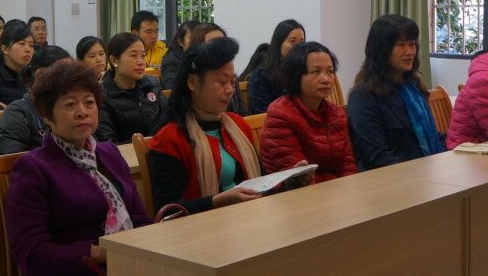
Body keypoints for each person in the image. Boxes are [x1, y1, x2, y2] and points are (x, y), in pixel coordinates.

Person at [5, 60, 151, 276]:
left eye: (89, 102)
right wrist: (96, 253)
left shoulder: (109, 153)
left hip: (131, 270)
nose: (83, 111)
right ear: (47, 115)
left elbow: (140, 219)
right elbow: (31, 253)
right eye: (70, 105)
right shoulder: (34, 168)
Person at [148, 37, 311, 215]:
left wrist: (288, 180)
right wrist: (215, 202)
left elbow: (260, 181)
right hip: (204, 226)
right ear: (192, 82)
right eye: (221, 82)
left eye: (232, 82)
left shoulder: (238, 125)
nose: (229, 90)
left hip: (249, 217)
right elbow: (168, 210)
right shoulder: (169, 139)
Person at [347, 14, 445, 171]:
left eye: (412, 44)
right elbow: (378, 156)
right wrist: (420, 174)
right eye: (401, 45)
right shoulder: (364, 96)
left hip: (425, 171)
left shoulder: (414, 88)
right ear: (382, 50)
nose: (410, 52)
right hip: (390, 178)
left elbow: (430, 135)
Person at [259, 42, 356, 182]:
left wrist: (351, 188)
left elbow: (348, 165)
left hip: (334, 189)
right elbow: (298, 177)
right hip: (294, 192)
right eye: (316, 72)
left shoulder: (337, 114)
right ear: (296, 76)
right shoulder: (280, 115)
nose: (326, 79)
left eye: (330, 71)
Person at [0, 46, 71, 155]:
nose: (72, 80)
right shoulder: (18, 113)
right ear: (41, 76)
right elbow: (13, 158)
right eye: (64, 74)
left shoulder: (77, 109)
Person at [96, 32, 167, 144]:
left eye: (143, 55)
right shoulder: (102, 95)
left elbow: (168, 120)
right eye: (133, 56)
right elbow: (108, 143)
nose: (141, 62)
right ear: (114, 60)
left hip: (159, 149)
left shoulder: (152, 85)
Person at [248, 19, 305, 114]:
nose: (298, 47)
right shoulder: (261, 76)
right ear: (279, 43)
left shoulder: (304, 72)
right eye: (292, 41)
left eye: (302, 42)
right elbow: (262, 114)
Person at [160, 19, 199, 89]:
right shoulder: (170, 61)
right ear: (180, 42)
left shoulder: (206, 57)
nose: (197, 42)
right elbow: (171, 86)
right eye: (192, 38)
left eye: (200, 38)